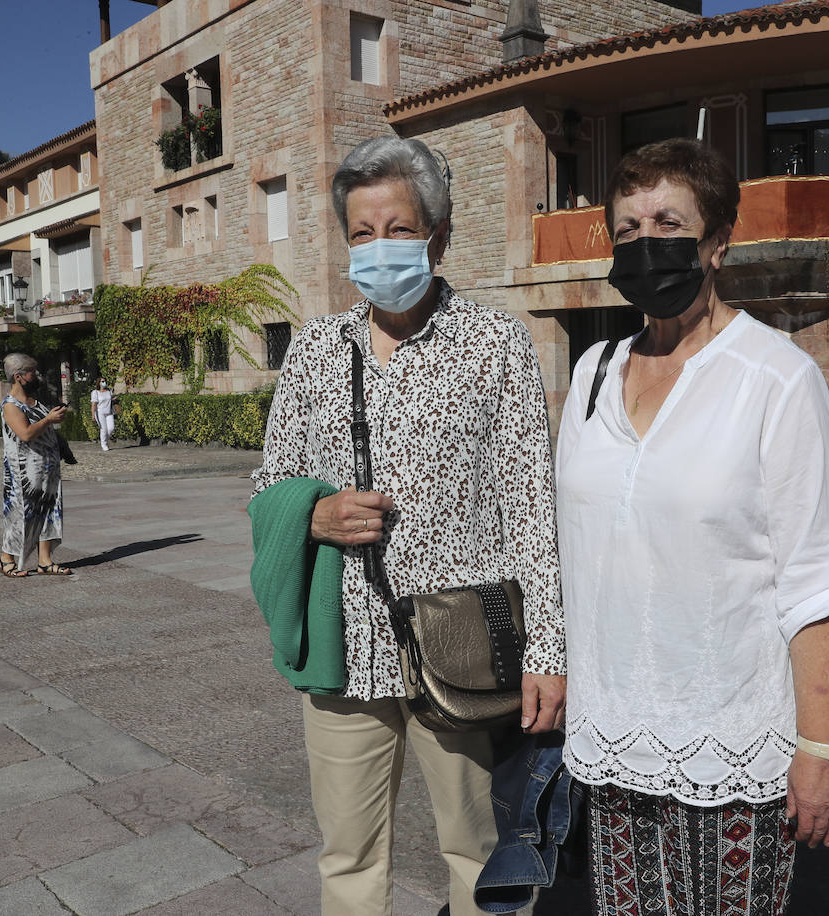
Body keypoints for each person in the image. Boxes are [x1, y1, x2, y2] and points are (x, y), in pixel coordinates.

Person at [251, 136, 565, 916]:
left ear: (438, 235)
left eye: (398, 228)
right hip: (345, 649)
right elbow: (268, 485)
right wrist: (313, 513)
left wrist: (550, 653)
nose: (379, 248)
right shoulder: (317, 350)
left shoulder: (495, 344)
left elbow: (533, 506)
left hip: (462, 648)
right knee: (349, 856)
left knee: (480, 850)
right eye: (361, 233)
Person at [555, 138, 829, 916]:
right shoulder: (590, 373)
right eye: (626, 229)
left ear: (718, 241)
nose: (644, 242)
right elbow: (570, 547)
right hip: (613, 738)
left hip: (731, 743)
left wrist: (821, 750)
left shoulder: (776, 377)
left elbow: (815, 579)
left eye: (667, 221)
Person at [0, 353, 72, 577]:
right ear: (19, 376)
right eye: (32, 372)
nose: (36, 376)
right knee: (20, 514)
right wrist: (49, 419)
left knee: (50, 511)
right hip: (24, 473)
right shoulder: (11, 406)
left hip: (47, 469)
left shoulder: (35, 402)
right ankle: (5, 559)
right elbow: (26, 434)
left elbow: (44, 428)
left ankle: (45, 561)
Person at [90, 377, 115, 451]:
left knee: (111, 428)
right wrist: (93, 415)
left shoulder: (109, 391)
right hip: (100, 412)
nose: (104, 383)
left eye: (105, 381)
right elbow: (94, 404)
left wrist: (114, 399)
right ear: (99, 383)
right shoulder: (95, 392)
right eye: (102, 381)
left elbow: (111, 399)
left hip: (109, 412)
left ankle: (105, 440)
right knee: (104, 429)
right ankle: (104, 444)